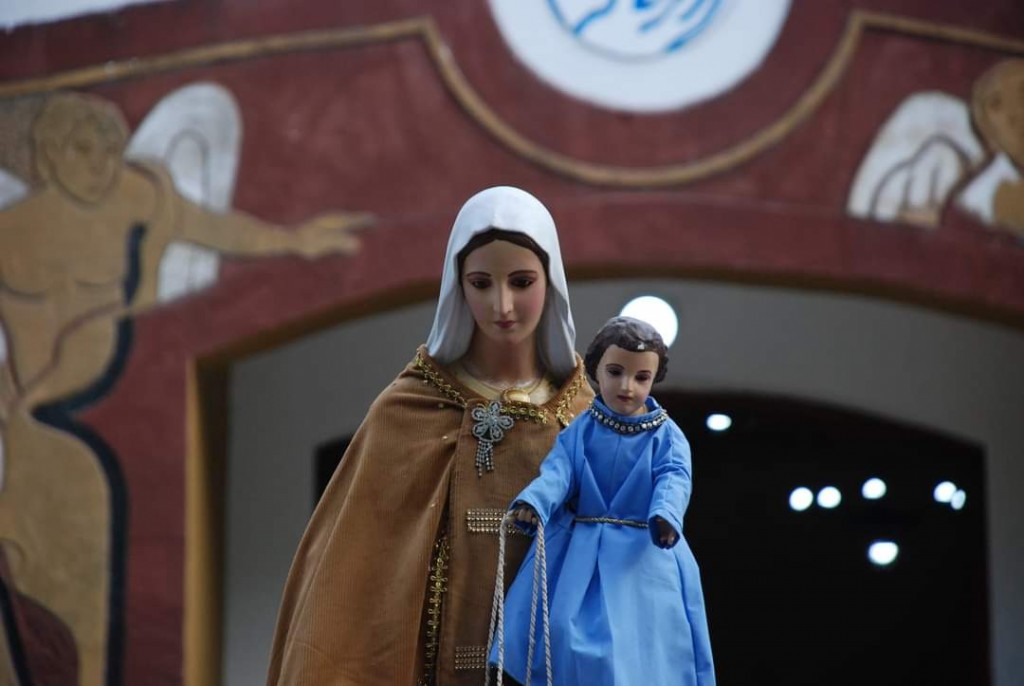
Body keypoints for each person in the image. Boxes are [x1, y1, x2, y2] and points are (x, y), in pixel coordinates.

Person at [265, 186, 594, 686]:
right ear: (458, 286)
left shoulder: (589, 415)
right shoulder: (409, 411)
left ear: (551, 281)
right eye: (481, 283)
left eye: (521, 281)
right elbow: (354, 586)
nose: (501, 304)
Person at [489, 316, 715, 686]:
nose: (627, 386)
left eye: (641, 378)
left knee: (641, 643)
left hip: (643, 555)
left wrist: (665, 514)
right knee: (564, 633)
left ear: (653, 379)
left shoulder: (667, 436)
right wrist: (536, 502)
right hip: (583, 554)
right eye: (615, 372)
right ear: (596, 371)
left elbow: (674, 479)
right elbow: (559, 472)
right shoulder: (581, 429)